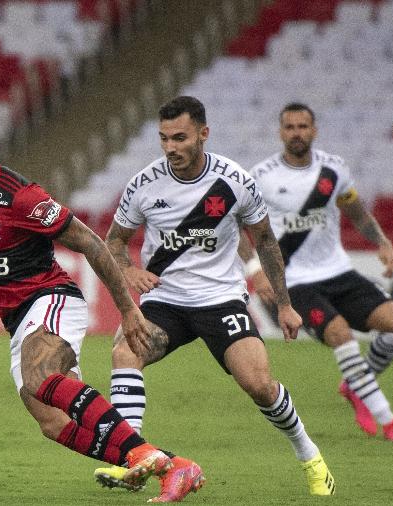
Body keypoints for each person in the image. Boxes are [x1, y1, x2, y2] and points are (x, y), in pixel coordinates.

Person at [0, 82, 204, 503]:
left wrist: (128, 310)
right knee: (50, 421)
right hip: (18, 319)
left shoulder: (21, 198)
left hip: (51, 298)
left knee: (40, 378)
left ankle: (145, 455)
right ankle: (173, 466)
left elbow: (91, 242)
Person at [94, 96, 335, 496]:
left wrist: (287, 305)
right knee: (125, 352)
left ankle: (309, 455)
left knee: (259, 385)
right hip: (165, 300)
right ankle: (130, 459)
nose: (171, 148)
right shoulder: (144, 184)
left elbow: (265, 241)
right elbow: (114, 241)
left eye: (180, 138)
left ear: (203, 134)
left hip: (220, 300)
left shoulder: (234, 182)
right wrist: (130, 269)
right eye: (164, 138)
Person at [244, 102, 393, 443]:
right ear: (281, 132)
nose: (296, 132)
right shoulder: (261, 176)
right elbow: (237, 226)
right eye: (290, 127)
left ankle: (357, 385)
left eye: (302, 126)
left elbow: (356, 212)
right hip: (293, 280)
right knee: (341, 334)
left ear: (314, 130)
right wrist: (256, 269)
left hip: (337, 271)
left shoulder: (334, 170)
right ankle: (390, 421)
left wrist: (382, 242)